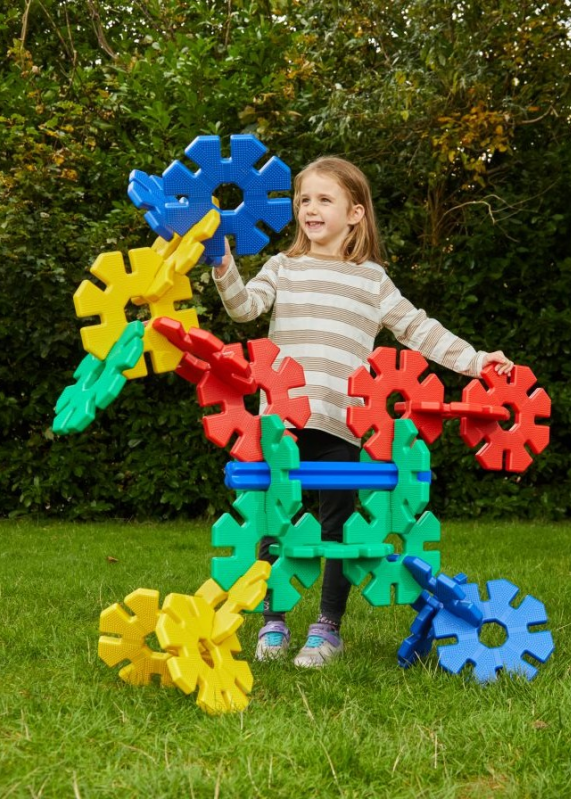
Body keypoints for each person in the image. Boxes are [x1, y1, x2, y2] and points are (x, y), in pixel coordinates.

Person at [211, 156, 513, 668]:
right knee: (272, 520)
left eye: (324, 199)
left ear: (355, 213)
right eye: (304, 199)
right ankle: (273, 622)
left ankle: (326, 630)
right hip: (280, 420)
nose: (310, 208)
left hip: (344, 422)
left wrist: (477, 362)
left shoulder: (371, 281)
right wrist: (222, 263)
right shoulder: (283, 267)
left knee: (338, 527)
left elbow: (418, 329)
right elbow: (244, 308)